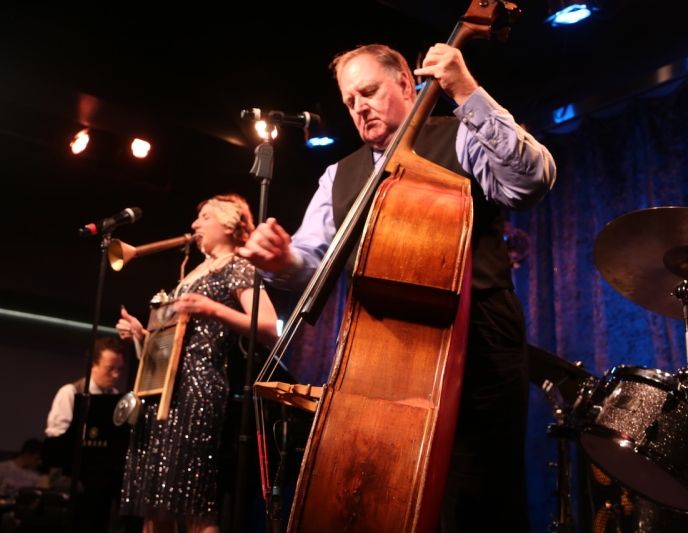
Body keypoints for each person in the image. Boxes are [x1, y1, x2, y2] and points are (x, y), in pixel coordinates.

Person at [238, 43, 557, 532]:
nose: (359, 107)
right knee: (380, 492)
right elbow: (309, 263)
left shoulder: (461, 138)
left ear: (406, 83)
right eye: (349, 101)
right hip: (380, 352)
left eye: (368, 92)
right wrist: (281, 260)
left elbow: (531, 180)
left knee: (478, 495)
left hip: (476, 340)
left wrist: (466, 92)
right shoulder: (337, 176)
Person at [116, 193, 278, 533]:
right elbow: (174, 344)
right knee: (157, 501)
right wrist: (141, 335)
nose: (194, 224)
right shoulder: (192, 274)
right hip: (163, 393)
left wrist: (212, 308)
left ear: (229, 224)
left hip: (197, 391)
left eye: (204, 216)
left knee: (192, 502)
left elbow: (267, 327)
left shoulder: (238, 266)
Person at [44, 335, 126, 437]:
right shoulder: (70, 392)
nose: (116, 375)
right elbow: (56, 434)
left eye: (120, 369)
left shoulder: (116, 395)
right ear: (92, 365)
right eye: (110, 368)